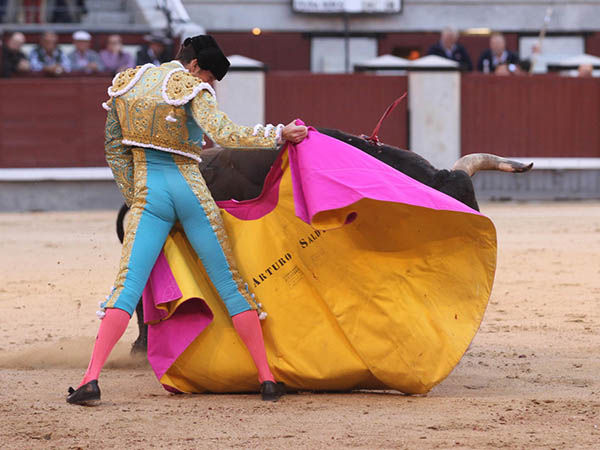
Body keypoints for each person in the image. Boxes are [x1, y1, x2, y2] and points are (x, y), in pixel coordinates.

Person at [66, 35, 307, 406]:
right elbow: (225, 134)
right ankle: (267, 378)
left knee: (126, 286)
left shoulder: (127, 84)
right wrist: (278, 133)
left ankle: (90, 380)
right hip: (191, 193)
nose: (209, 83)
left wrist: (136, 197)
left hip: (150, 193)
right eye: (209, 76)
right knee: (230, 284)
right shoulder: (193, 88)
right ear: (195, 66)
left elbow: (114, 148)